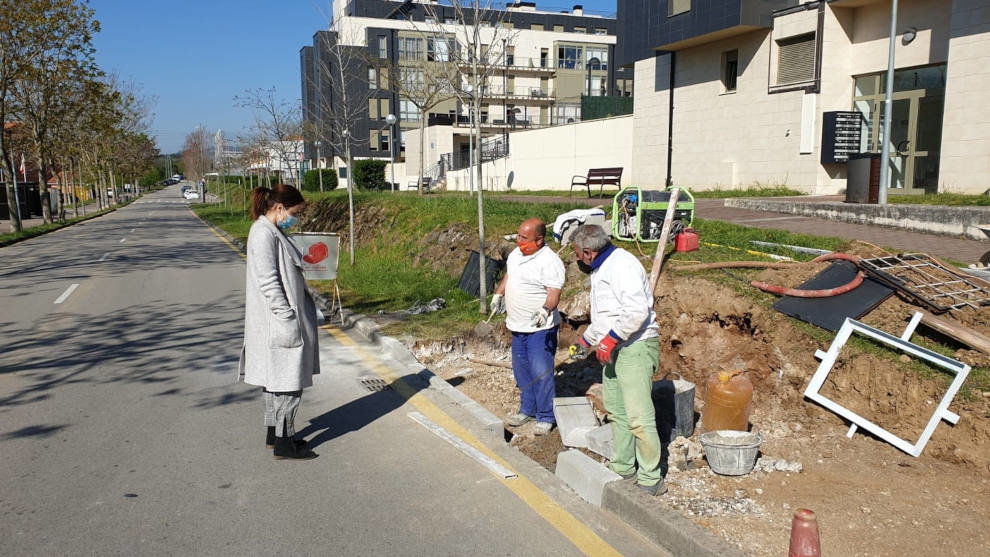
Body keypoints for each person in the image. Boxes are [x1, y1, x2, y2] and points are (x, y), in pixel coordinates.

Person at [568, 224, 666, 495]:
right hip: (616, 346)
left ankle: (651, 478)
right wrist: (585, 341)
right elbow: (608, 316)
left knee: (638, 416)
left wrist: (610, 340)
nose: (576, 259)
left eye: (577, 254)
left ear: (588, 252)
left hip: (635, 346)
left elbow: (637, 312)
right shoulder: (603, 267)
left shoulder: (622, 265)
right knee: (617, 411)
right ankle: (623, 465)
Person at [238, 184, 319, 460]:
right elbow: (268, 281)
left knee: (276, 381)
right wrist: (285, 315)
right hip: (278, 321)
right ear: (280, 208)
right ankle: (285, 442)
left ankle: (275, 435)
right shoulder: (263, 234)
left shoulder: (270, 231)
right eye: (295, 212)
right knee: (287, 382)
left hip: (275, 320)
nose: (296, 217)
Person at [491, 218, 565, 436]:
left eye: (524, 238)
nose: (519, 241)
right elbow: (509, 275)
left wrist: (545, 309)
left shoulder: (550, 261)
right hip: (517, 326)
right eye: (518, 236)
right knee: (522, 370)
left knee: (541, 372)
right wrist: (498, 293)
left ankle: (545, 416)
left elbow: (554, 292)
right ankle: (528, 409)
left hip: (540, 329)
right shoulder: (516, 254)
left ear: (539, 239)